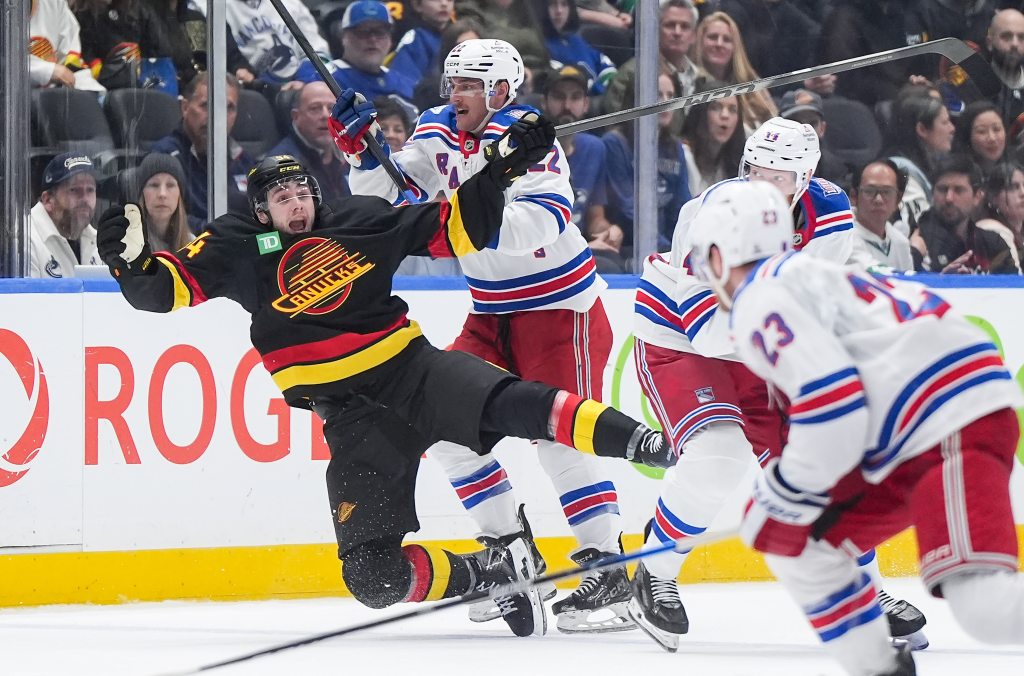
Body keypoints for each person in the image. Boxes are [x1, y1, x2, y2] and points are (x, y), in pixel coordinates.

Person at [95, 146, 672, 638]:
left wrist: (497, 176)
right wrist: (130, 265)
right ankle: (492, 571)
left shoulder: (359, 219)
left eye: (302, 192)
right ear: (262, 210)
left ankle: (640, 441)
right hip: (352, 419)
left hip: (412, 372)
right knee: (371, 579)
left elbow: (454, 229)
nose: (296, 204)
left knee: (519, 403)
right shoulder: (236, 245)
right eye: (282, 198)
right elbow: (164, 290)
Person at [333, 38, 638, 633]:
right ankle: (510, 553)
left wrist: (486, 184)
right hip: (490, 312)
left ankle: (612, 575)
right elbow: (386, 199)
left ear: (501, 90)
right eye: (453, 84)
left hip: (559, 309)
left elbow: (541, 224)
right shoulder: (438, 130)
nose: (457, 95)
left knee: (557, 439)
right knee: (443, 430)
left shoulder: (526, 137)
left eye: (469, 85)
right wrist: (364, 156)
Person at [685, 178, 1024, 676]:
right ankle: (881, 667)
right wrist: (783, 504)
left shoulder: (760, 298)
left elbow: (833, 407)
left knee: (985, 609)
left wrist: (785, 488)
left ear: (718, 255)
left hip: (945, 417)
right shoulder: (811, 274)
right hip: (914, 427)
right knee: (792, 540)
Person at [628, 118, 927, 652]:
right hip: (683, 339)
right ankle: (653, 572)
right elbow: (711, 332)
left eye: (781, 176)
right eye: (756, 170)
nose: (764, 184)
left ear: (805, 179)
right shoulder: (709, 216)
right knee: (717, 457)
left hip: (759, 343)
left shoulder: (831, 214)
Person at [540, 65, 623, 266]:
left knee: (612, 258)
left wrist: (607, 231)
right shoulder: (530, 152)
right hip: (540, 252)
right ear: (544, 103)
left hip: (579, 248)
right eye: (559, 97)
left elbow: (595, 216)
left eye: (575, 97)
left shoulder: (594, 149)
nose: (567, 105)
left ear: (586, 104)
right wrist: (585, 246)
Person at [603, 70, 692, 254]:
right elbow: (627, 208)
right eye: (658, 95)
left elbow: (681, 207)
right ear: (638, 98)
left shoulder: (675, 148)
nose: (666, 102)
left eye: (670, 95)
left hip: (665, 246)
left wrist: (683, 247)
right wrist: (666, 249)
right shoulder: (615, 143)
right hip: (625, 247)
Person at [151, 72, 254, 231]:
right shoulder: (164, 158)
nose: (219, 116)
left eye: (229, 108)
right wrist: (229, 236)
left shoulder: (242, 159)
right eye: (207, 105)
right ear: (185, 108)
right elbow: (166, 222)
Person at [913, 154, 1021, 274]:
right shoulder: (918, 240)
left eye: (958, 190)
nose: (949, 198)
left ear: (977, 196)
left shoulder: (992, 243)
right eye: (942, 189)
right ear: (932, 193)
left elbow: (1013, 288)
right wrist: (942, 282)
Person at [604, 0, 705, 126]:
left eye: (684, 26)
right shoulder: (632, 73)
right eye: (670, 25)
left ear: (694, 36)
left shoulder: (702, 79)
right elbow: (615, 126)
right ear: (656, 30)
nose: (677, 32)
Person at [320, 1, 418, 111]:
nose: (372, 39)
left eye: (380, 32)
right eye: (363, 32)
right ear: (344, 37)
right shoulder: (326, 77)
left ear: (390, 39)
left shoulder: (403, 83)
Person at [267, 81, 351, 205]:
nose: (325, 115)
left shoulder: (351, 154)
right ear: (296, 116)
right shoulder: (281, 164)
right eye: (315, 108)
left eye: (332, 108)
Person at [693, 11, 777, 128]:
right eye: (713, 37)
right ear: (700, 41)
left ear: (735, 47)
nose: (719, 44)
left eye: (727, 39)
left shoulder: (754, 86)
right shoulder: (690, 83)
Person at [29, 152, 103, 278]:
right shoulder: (26, 240)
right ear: (48, 200)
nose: (85, 199)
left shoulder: (100, 241)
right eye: (74, 190)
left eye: (90, 190)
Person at [534, 0, 617, 95]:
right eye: (552, 4)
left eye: (564, 4)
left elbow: (604, 63)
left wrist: (607, 87)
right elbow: (572, 83)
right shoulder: (540, 46)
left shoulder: (575, 40)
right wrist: (600, 89)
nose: (559, 11)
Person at [679, 79, 746, 196]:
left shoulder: (732, 163)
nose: (725, 115)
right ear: (701, 112)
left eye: (732, 110)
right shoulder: (683, 156)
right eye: (716, 107)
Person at [850, 160, 915, 272]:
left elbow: (909, 286)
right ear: (854, 196)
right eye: (870, 191)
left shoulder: (901, 242)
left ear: (898, 199)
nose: (878, 200)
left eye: (886, 192)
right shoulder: (842, 235)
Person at [778, 88, 850, 189]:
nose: (805, 130)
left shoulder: (837, 169)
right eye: (795, 123)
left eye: (812, 123)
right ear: (779, 128)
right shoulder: (763, 165)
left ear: (822, 128)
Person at [29, 0, 104, 91]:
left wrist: (95, 92)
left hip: (50, 95)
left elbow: (69, 66)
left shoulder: (56, 3)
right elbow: (8, 63)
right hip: (13, 97)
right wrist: (48, 71)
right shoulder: (8, 9)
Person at [126, 152, 193, 252]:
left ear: (180, 194)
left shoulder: (192, 245)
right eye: (154, 185)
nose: (162, 194)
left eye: (170, 185)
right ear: (142, 194)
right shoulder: (123, 245)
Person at [388, 0, 455, 88]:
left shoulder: (461, 36)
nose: (444, 3)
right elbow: (405, 84)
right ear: (418, 5)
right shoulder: (414, 39)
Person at [984, 9, 1024, 130]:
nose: (1015, 44)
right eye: (1006, 37)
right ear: (989, 43)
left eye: (1022, 37)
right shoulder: (976, 86)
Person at [954, 100, 1009, 176]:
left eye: (997, 129)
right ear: (968, 137)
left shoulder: (1019, 168)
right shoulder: (956, 175)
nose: (992, 138)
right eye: (981, 131)